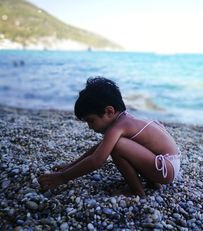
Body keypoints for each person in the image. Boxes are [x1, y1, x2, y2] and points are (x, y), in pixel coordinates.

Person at [38, 77, 181, 196]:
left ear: (109, 111)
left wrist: (63, 178)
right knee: (114, 145)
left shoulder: (119, 126)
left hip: (165, 169)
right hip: (166, 165)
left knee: (117, 147)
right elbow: (99, 149)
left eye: (91, 120)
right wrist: (70, 166)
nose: (90, 126)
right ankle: (151, 182)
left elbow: (97, 160)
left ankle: (136, 191)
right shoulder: (124, 119)